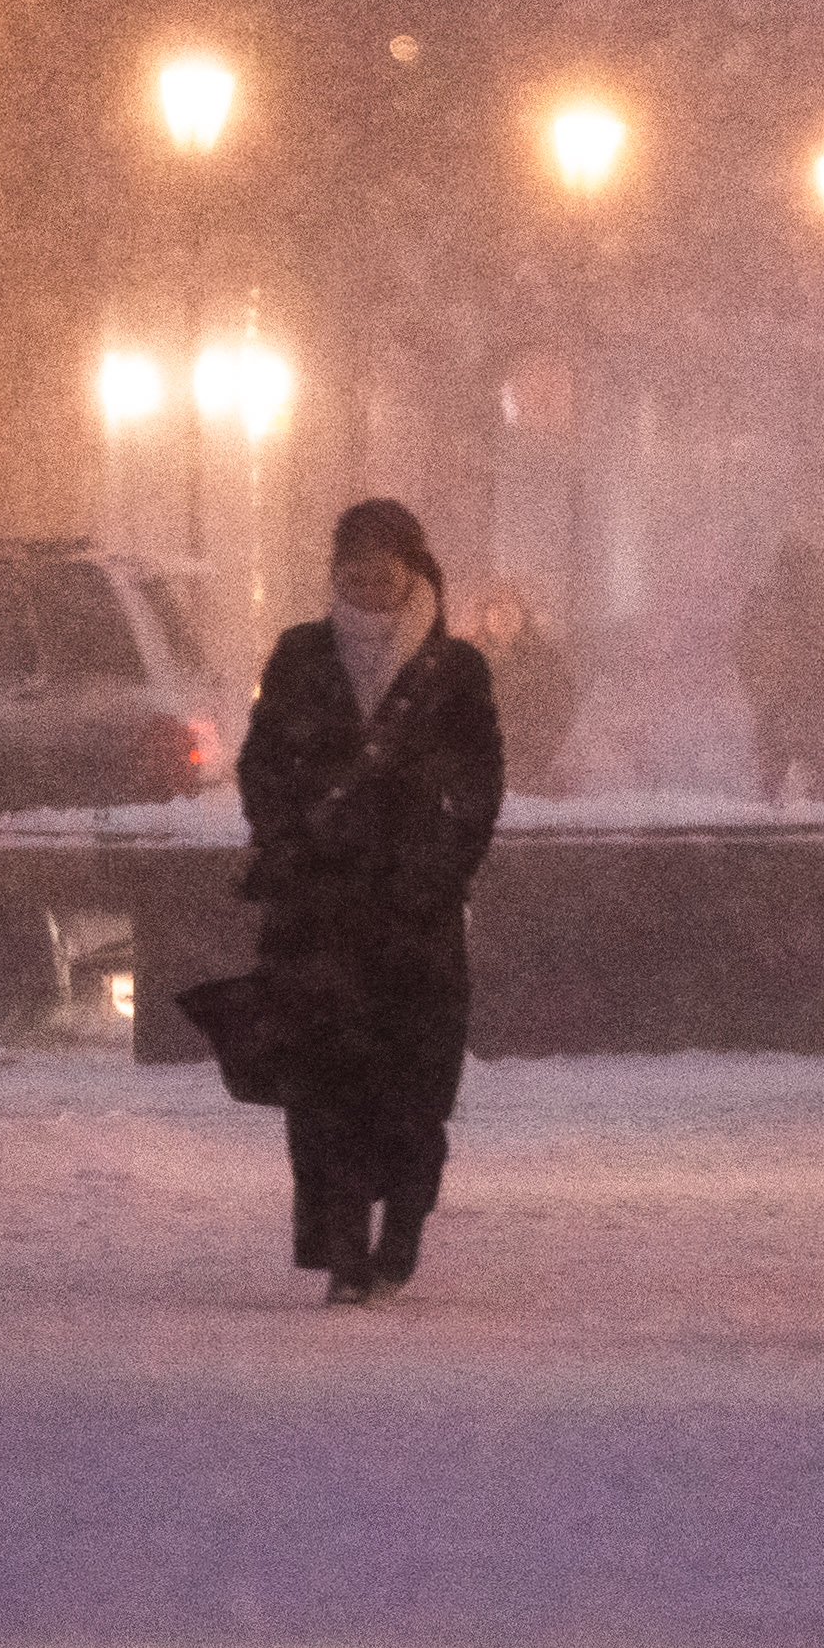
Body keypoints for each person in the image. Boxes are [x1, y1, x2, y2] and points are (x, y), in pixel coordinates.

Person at [239, 500, 507, 1303]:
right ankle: (345, 1243)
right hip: (319, 908)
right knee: (326, 1083)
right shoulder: (300, 655)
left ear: (412, 567)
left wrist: (443, 862)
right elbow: (262, 763)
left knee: (413, 1082)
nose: (365, 574)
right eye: (351, 560)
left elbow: (482, 781)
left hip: (414, 914)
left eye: (381, 560)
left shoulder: (454, 670)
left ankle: (405, 1220)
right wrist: (286, 841)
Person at [733, 535, 824, 805]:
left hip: (789, 696)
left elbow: (746, 650)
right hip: (794, 696)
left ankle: (783, 803)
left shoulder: (804, 601)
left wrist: (757, 687)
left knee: (791, 756)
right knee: (804, 756)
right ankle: (797, 802)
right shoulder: (816, 600)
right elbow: (748, 650)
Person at [471, 586, 578, 798]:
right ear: (485, 615)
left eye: (511, 608)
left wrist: (536, 738)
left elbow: (561, 706)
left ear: (522, 615)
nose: (503, 615)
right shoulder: (469, 657)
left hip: (532, 756)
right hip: (480, 759)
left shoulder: (544, 658)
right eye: (496, 608)